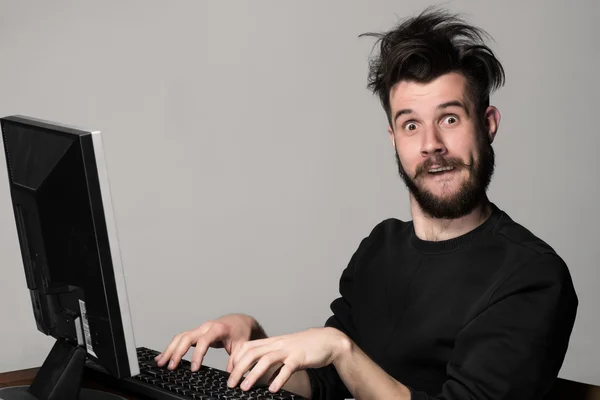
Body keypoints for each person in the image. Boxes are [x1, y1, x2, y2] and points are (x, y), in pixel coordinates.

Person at [155, 7, 578, 400]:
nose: (431, 145)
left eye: (449, 119)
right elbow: (325, 382)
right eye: (411, 124)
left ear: (487, 125)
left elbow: (342, 359)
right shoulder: (382, 247)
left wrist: (342, 350)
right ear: (394, 140)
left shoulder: (532, 277)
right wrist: (255, 351)